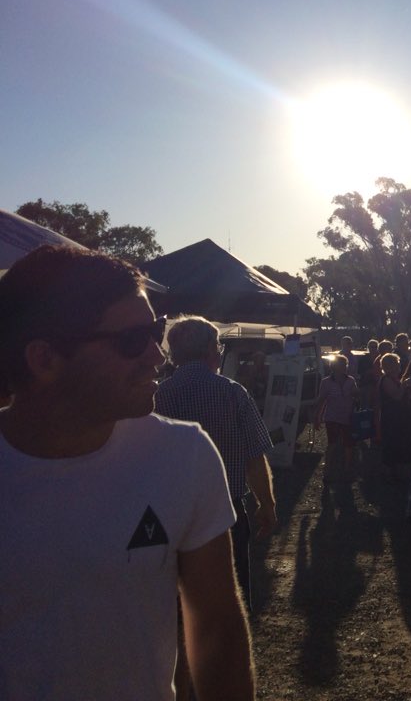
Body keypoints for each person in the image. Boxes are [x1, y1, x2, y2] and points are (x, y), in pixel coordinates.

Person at [0, 245, 254, 700]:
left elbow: (216, 626)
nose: (157, 355)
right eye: (133, 340)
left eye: (157, 331)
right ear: (44, 359)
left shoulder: (183, 454)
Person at [155, 315, 278, 611]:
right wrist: (267, 504)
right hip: (226, 511)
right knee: (229, 601)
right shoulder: (233, 393)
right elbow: (254, 457)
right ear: (212, 349)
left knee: (180, 605)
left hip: (172, 513)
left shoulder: (159, 395)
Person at [314, 353, 359, 482]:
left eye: (345, 365)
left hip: (347, 416)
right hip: (332, 417)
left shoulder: (351, 380)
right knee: (332, 444)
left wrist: (356, 394)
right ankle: (328, 469)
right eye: (342, 365)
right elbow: (322, 400)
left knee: (348, 444)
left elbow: (356, 395)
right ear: (334, 367)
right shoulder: (326, 382)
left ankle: (346, 468)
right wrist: (318, 417)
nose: (345, 367)